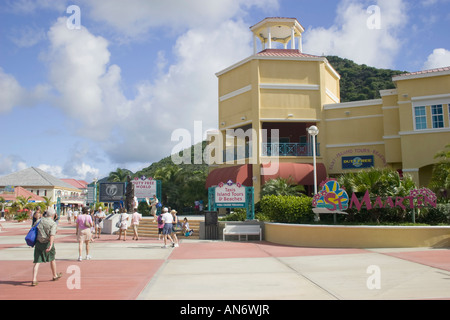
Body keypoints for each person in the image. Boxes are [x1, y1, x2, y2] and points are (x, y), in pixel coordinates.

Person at [31, 206, 62, 286]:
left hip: (38, 243)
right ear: (53, 215)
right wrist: (51, 244)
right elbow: (52, 234)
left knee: (37, 261)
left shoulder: (39, 221)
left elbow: (33, 228)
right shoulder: (52, 223)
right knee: (52, 259)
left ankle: (34, 279)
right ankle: (54, 275)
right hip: (47, 242)